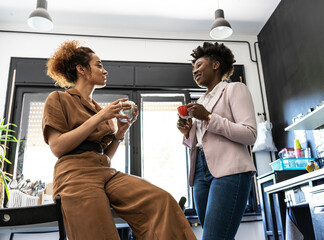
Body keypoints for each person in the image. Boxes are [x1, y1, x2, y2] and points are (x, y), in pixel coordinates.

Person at [43, 40, 196, 240]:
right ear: (81, 69)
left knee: (161, 201)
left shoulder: (99, 109)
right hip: (74, 175)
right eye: (98, 65)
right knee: (100, 233)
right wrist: (100, 117)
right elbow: (57, 147)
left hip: (105, 171)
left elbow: (104, 155)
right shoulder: (59, 99)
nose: (105, 71)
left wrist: (120, 133)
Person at [177, 42, 257, 240]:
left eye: (199, 65)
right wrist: (187, 133)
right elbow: (203, 141)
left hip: (231, 171)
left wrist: (209, 118)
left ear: (215, 65)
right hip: (200, 174)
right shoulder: (202, 101)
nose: (195, 71)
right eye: (193, 67)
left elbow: (249, 134)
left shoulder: (235, 89)